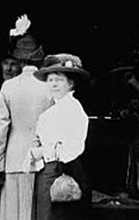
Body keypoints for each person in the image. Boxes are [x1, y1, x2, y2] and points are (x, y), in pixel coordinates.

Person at [0, 17, 53, 220]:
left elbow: (0, 130)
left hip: (12, 157)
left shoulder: (7, 87)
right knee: (32, 211)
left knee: (11, 212)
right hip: (39, 158)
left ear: (19, 60)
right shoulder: (49, 88)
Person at [31, 53, 91, 220]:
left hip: (62, 170)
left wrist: (43, 151)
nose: (54, 84)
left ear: (70, 84)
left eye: (59, 80)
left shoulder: (73, 108)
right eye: (50, 80)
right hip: (49, 170)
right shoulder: (53, 110)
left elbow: (73, 147)